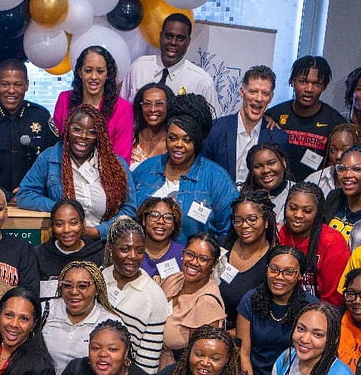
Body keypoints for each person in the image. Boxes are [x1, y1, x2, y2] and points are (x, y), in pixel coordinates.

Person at [19, 103, 137, 239]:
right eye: (77, 129)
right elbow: (25, 195)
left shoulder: (116, 164)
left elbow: (129, 209)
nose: (83, 136)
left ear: (99, 135)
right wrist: (62, 208)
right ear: (67, 129)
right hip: (64, 237)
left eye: (91, 132)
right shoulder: (49, 158)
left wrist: (99, 232)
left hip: (104, 241)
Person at [132, 93, 236, 240]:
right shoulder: (146, 169)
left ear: (196, 142)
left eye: (187, 140)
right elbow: (127, 214)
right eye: (172, 138)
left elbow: (229, 232)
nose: (178, 145)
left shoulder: (217, 179)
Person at [0, 58, 59, 196]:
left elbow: (55, 160)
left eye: (18, 85)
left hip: (35, 198)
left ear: (26, 85)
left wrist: (30, 190)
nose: (11, 90)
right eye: (5, 84)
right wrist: (2, 195)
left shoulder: (41, 117)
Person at [237, 246, 315, 375]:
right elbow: (243, 354)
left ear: (300, 275)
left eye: (289, 272)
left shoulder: (310, 307)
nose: (279, 277)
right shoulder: (250, 300)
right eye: (274, 269)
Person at [100, 218, 170, 373]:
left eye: (139, 250)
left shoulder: (155, 297)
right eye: (125, 249)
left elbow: (148, 361)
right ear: (111, 249)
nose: (133, 256)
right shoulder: (100, 278)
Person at [265, 56, 347, 182]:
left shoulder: (335, 122)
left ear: (324, 86)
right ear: (293, 81)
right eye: (303, 82)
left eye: (316, 84)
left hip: (317, 190)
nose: (309, 89)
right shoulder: (274, 115)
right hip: (277, 188)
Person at [202, 66, 289, 184]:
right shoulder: (215, 130)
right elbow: (202, 174)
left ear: (271, 97)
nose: (259, 98)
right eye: (253, 92)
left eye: (265, 93)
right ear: (242, 92)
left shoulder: (279, 138)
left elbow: (281, 181)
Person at [122, 13, 217, 113]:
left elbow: (215, 120)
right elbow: (121, 111)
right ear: (160, 36)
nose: (173, 42)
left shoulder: (201, 82)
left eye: (180, 38)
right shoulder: (138, 68)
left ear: (188, 42)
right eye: (169, 36)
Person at [41, 261, 122, 375]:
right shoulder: (46, 310)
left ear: (97, 289)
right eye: (67, 285)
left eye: (83, 286)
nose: (74, 292)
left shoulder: (110, 323)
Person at [54, 45, 135, 161]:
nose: (94, 77)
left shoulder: (123, 108)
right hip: (66, 166)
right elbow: (57, 144)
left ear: (107, 74)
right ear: (80, 72)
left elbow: (122, 156)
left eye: (100, 71)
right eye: (88, 70)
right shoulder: (64, 99)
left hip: (109, 170)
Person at [279, 183, 350, 306]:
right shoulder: (279, 234)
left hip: (318, 311)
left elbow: (333, 301)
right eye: (293, 208)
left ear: (318, 212)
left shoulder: (332, 242)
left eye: (307, 211)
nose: (298, 215)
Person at [220, 191, 280, 335]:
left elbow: (267, 319)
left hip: (246, 337)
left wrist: (225, 334)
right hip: (209, 327)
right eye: (238, 220)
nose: (244, 225)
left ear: (266, 221)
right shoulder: (221, 247)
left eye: (252, 219)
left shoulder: (274, 262)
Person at [161, 232, 226, 361]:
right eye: (190, 254)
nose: (194, 262)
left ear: (214, 265)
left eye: (203, 259)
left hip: (174, 369)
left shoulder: (207, 303)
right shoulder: (174, 279)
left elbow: (201, 358)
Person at [33, 198, 105, 296]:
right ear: (52, 226)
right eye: (59, 224)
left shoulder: (99, 254)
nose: (66, 230)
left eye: (73, 223)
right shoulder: (38, 255)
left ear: (83, 223)